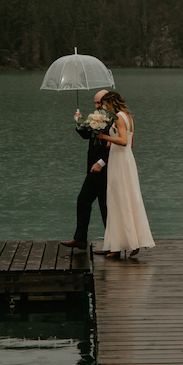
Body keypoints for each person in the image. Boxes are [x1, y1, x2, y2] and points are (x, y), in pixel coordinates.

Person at [100, 90, 155, 260]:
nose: (104, 107)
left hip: (119, 162)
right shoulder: (128, 117)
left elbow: (124, 141)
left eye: (105, 104)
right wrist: (111, 143)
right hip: (126, 160)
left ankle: (123, 243)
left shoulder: (118, 117)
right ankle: (127, 242)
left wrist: (104, 136)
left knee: (119, 199)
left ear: (111, 102)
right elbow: (130, 143)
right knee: (128, 197)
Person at [61, 89, 110, 252]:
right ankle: (80, 239)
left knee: (106, 207)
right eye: (95, 103)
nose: (96, 106)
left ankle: (112, 245)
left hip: (106, 170)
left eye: (98, 102)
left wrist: (102, 163)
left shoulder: (114, 119)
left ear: (107, 102)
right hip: (93, 169)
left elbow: (116, 145)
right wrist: (78, 121)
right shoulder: (98, 117)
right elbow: (88, 135)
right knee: (83, 200)